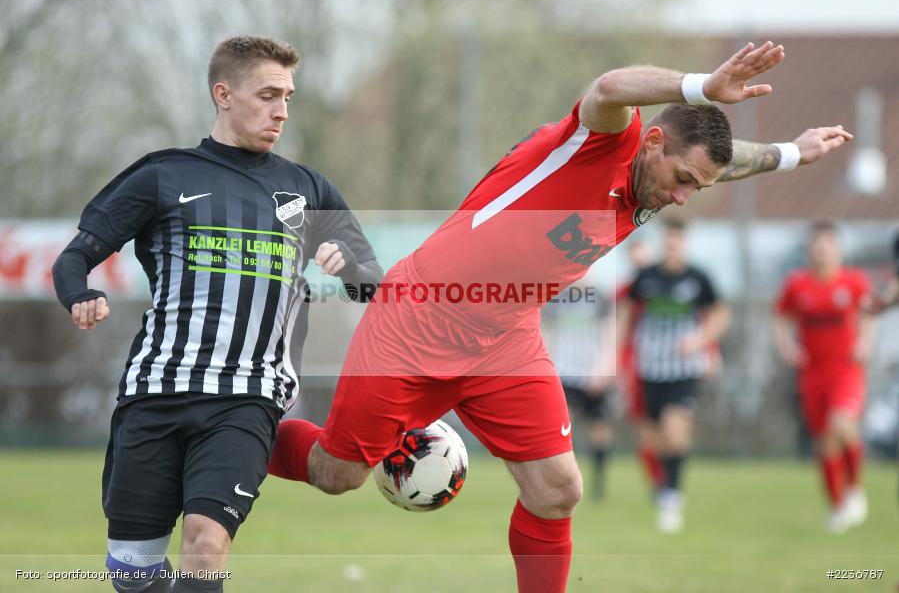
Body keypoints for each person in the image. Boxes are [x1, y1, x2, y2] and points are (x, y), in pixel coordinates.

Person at [269, 41, 852, 592]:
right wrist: (701, 86)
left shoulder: (661, 180)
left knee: (557, 490)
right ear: (651, 142)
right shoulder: (599, 142)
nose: (682, 198)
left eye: (695, 189)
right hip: (418, 322)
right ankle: (230, 433)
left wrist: (793, 153)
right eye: (681, 181)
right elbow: (609, 86)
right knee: (335, 474)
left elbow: (723, 165)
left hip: (505, 339)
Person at [51, 36, 381, 593]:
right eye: (267, 94)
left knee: (206, 542)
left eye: (288, 97)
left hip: (247, 400)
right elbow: (74, 257)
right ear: (223, 94)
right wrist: (79, 295)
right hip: (156, 391)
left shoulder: (307, 188)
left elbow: (372, 286)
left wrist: (347, 264)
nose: (281, 110)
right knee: (132, 574)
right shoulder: (163, 175)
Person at [617, 217, 730, 532]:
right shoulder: (646, 277)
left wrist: (701, 340)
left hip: (684, 370)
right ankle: (662, 487)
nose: (672, 244)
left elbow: (721, 313)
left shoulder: (698, 278)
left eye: (678, 239)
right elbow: (625, 313)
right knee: (652, 439)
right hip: (649, 369)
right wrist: (614, 356)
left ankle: (672, 497)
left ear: (685, 242)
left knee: (675, 428)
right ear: (662, 241)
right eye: (668, 238)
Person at [774, 221, 874, 532]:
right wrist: (787, 346)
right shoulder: (797, 285)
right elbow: (779, 316)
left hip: (846, 369)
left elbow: (870, 312)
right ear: (809, 250)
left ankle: (855, 490)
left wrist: (865, 342)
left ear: (838, 249)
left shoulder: (854, 281)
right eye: (817, 245)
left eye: (828, 244)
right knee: (825, 442)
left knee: (842, 422)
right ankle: (837, 506)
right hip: (812, 372)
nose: (822, 250)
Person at [541, 281, 617, 501]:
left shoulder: (601, 298)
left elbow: (609, 334)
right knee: (561, 429)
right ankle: (563, 480)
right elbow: (547, 332)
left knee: (599, 431)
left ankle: (598, 484)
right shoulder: (556, 298)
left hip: (593, 375)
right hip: (563, 374)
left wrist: (604, 368)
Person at [616, 239, 668, 493]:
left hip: (669, 366)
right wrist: (619, 364)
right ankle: (659, 482)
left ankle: (668, 478)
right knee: (646, 427)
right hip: (638, 365)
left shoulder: (664, 286)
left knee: (670, 426)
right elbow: (620, 327)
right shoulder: (626, 291)